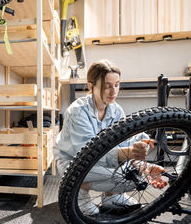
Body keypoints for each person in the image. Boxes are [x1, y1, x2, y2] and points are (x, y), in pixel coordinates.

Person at [54, 60, 166, 215]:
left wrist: (143, 163)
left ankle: (112, 197)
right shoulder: (77, 112)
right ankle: (78, 194)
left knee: (136, 159)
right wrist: (130, 153)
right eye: (107, 86)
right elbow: (87, 155)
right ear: (91, 86)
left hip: (100, 161)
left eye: (117, 84)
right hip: (74, 162)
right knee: (127, 179)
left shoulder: (116, 110)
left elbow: (125, 141)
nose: (113, 91)